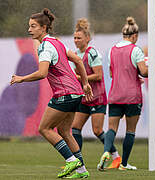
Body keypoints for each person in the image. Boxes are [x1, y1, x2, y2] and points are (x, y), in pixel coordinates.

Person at [10, 8, 93, 178]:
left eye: (33, 26)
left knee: (44, 128)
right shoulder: (58, 42)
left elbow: (42, 73)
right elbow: (77, 59)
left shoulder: (45, 47)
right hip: (76, 92)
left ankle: (71, 160)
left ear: (43, 27)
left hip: (64, 94)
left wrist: (21, 79)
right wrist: (85, 84)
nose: (29, 30)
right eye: (29, 26)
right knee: (64, 131)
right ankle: (82, 171)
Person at [70, 18, 122, 175]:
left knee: (97, 130)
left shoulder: (92, 53)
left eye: (79, 38)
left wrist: (79, 78)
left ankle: (116, 156)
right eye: (74, 37)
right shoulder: (76, 54)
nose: (76, 40)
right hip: (84, 97)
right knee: (75, 128)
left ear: (87, 38)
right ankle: (76, 161)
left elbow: (98, 76)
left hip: (97, 97)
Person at [97, 16, 148, 171]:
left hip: (115, 95)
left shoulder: (112, 50)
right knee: (130, 131)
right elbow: (144, 72)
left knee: (111, 128)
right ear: (135, 36)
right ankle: (124, 164)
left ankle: (106, 152)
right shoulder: (136, 49)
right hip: (132, 96)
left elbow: (112, 74)